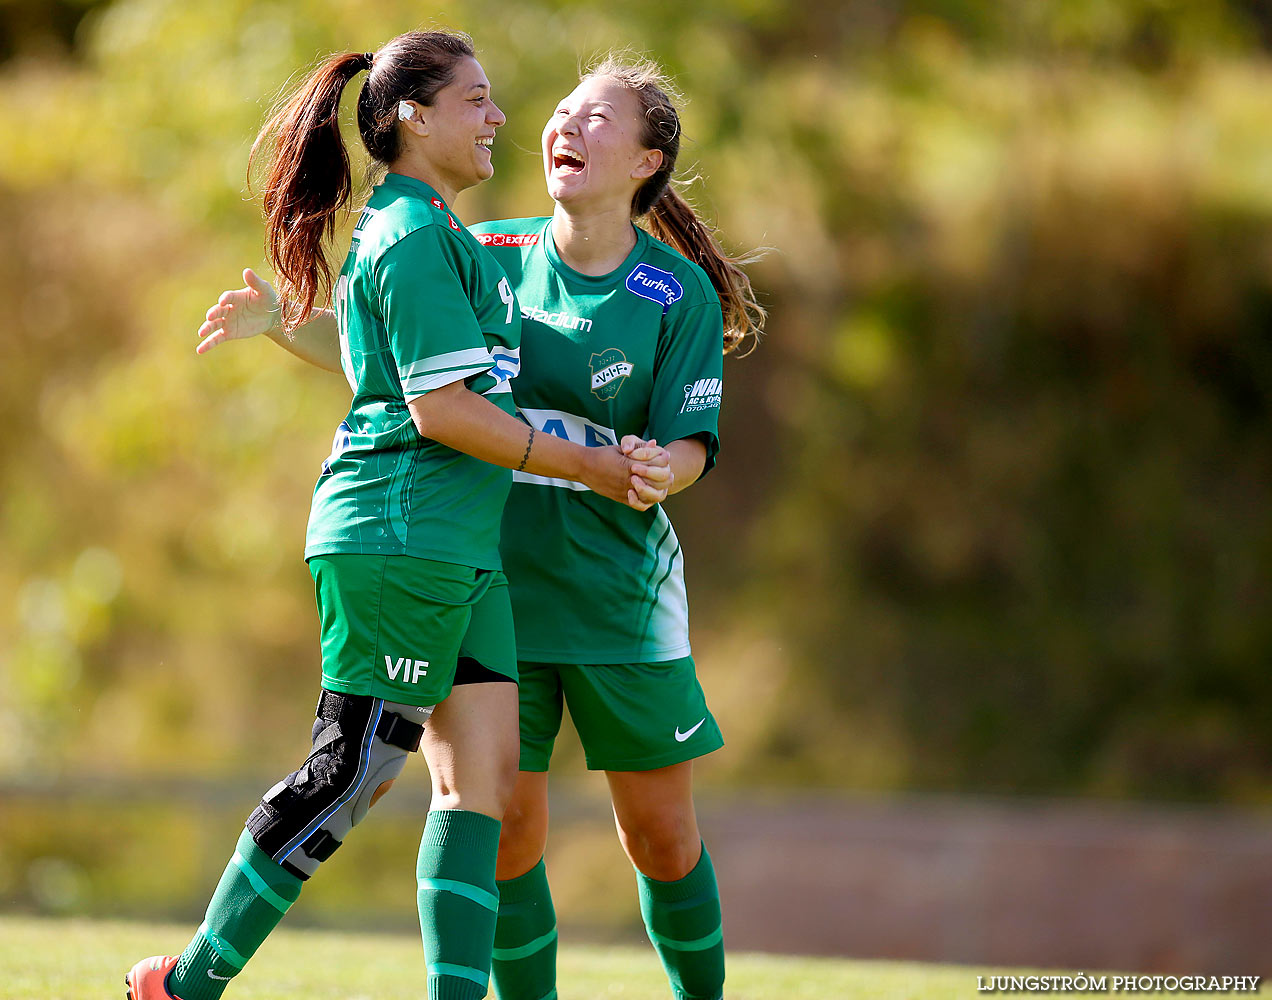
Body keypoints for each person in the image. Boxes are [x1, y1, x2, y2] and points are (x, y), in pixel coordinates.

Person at [196, 55, 764, 1000]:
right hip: (492, 581)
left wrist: (668, 468)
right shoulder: (483, 246)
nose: (563, 126)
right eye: (564, 111)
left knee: (659, 838)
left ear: (646, 162)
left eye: (598, 118)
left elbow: (691, 442)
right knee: (505, 834)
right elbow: (409, 367)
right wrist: (280, 324)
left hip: (618, 597)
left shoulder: (677, 294)